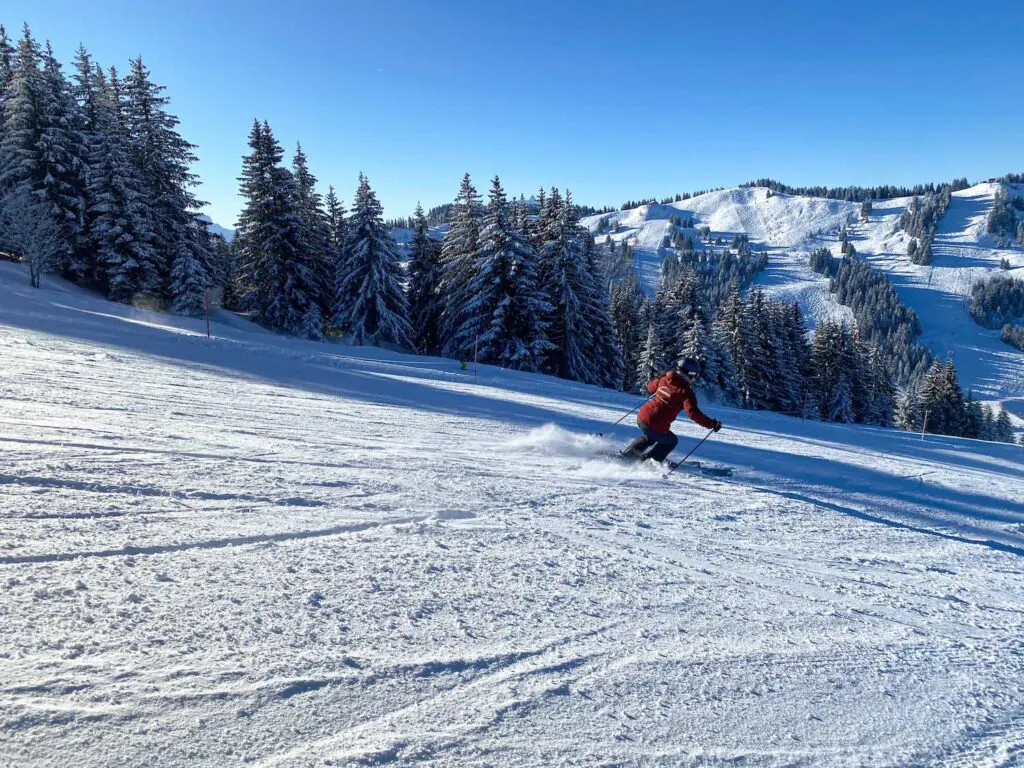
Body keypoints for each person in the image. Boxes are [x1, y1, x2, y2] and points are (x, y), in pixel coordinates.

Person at [622, 357, 722, 463]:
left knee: (650, 437)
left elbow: (650, 388)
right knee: (671, 441)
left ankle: (628, 455)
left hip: (642, 417)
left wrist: (660, 380)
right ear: (691, 374)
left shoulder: (665, 378)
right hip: (656, 423)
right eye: (695, 375)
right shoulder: (685, 392)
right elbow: (693, 413)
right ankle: (649, 462)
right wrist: (711, 424)